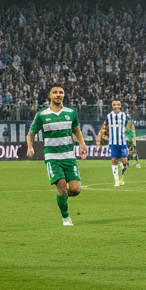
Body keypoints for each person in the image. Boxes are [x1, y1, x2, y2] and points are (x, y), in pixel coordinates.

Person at [26, 86, 88, 226]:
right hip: (52, 157)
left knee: (75, 189)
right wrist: (30, 147)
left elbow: (76, 130)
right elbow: (31, 133)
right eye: (55, 92)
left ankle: (62, 196)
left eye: (61, 92)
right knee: (61, 185)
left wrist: (82, 144)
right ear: (50, 95)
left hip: (69, 156)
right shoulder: (42, 115)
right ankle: (66, 217)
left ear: (64, 95)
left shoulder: (71, 113)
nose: (58, 95)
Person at [97, 99, 135, 187]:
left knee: (125, 163)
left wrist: (126, 129)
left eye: (118, 104)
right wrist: (99, 138)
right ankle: (116, 181)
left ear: (120, 106)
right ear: (112, 106)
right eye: (114, 105)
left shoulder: (124, 115)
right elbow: (104, 127)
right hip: (113, 143)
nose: (116, 106)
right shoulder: (109, 116)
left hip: (122, 142)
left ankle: (121, 176)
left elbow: (131, 123)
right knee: (114, 161)